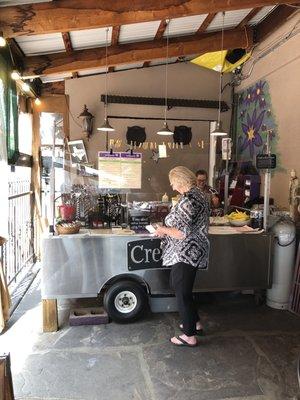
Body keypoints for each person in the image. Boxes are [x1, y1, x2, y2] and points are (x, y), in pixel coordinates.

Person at [154, 166, 210, 347]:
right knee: (184, 289)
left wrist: (162, 229)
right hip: (194, 250)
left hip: (185, 252)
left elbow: (181, 233)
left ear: (180, 180)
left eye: (172, 182)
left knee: (182, 292)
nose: (171, 186)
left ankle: (189, 336)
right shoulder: (200, 194)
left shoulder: (188, 200)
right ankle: (195, 323)